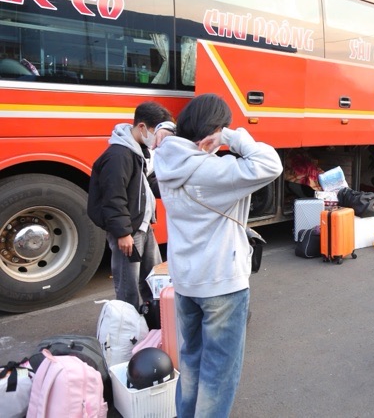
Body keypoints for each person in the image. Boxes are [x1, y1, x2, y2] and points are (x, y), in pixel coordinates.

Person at [154, 94, 283, 416]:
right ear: (213, 129)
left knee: (192, 362)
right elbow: (270, 163)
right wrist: (230, 136)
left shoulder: (164, 157)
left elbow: (170, 135)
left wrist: (170, 127)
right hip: (221, 283)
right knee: (219, 374)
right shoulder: (212, 171)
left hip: (185, 282)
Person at [87, 101, 175, 310]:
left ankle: (152, 318)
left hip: (142, 226)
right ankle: (128, 330)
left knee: (153, 278)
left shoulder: (138, 151)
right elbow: (113, 198)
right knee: (128, 285)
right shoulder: (119, 155)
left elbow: (145, 184)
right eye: (157, 131)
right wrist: (123, 234)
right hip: (130, 232)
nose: (159, 137)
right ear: (142, 127)